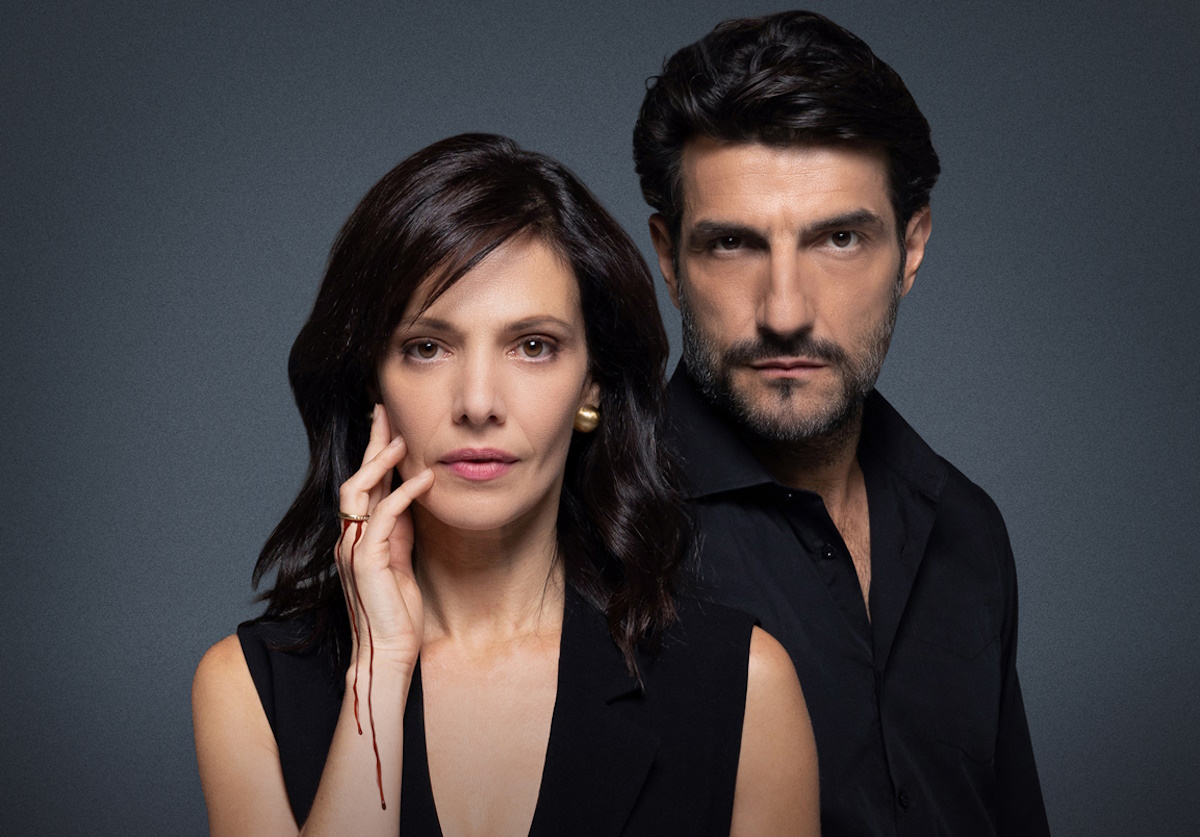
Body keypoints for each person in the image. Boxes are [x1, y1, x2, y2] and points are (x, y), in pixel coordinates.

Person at [191, 133, 818, 836]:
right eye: (427, 347)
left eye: (533, 346)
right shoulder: (246, 687)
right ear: (373, 381)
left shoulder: (744, 687)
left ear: (593, 384)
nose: (479, 402)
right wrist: (379, 667)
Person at [633, 11, 1050, 836]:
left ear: (912, 247)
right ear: (670, 260)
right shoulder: (598, 527)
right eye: (733, 244)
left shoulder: (967, 529)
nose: (785, 311)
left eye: (839, 238)